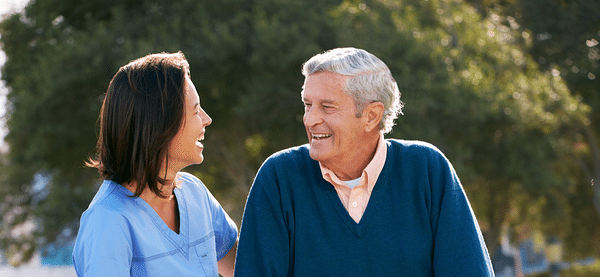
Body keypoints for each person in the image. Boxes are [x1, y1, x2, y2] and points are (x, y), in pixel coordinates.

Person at [234, 47, 494, 276]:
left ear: (371, 115)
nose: (310, 119)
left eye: (327, 107)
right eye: (307, 105)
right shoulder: (279, 177)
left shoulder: (427, 170)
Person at [73, 52, 238, 277]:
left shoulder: (195, 194)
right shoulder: (107, 222)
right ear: (161, 124)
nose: (206, 119)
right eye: (195, 110)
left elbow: (249, 267)